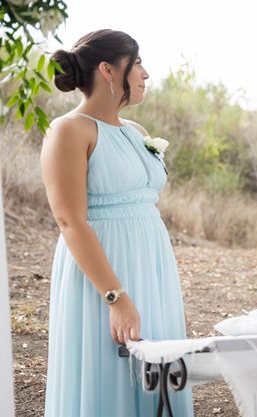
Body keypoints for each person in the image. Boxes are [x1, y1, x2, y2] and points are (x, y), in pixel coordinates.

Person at [41, 30, 193, 416]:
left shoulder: (136, 132)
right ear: (108, 70)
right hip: (104, 271)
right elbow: (69, 220)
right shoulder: (69, 130)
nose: (145, 73)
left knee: (157, 367)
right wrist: (115, 297)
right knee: (108, 369)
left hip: (151, 263)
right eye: (137, 62)